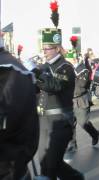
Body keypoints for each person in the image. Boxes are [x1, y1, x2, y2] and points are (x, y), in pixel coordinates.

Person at [35, 28, 83, 179]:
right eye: (43, 49)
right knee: (45, 162)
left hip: (60, 122)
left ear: (57, 48)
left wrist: (37, 76)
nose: (44, 52)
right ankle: (75, 177)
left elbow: (55, 85)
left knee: (50, 166)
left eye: (47, 49)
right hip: (42, 121)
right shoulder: (42, 67)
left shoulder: (65, 67)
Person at [0, 43, 39, 179]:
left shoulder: (7, 70)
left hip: (8, 169)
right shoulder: (15, 67)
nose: (45, 51)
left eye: (48, 48)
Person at [65, 49, 99, 152]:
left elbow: (81, 86)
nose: (67, 62)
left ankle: (94, 133)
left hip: (80, 100)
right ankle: (72, 144)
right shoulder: (67, 69)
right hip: (70, 100)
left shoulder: (83, 70)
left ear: (74, 59)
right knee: (70, 123)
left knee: (83, 123)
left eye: (69, 60)